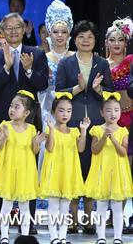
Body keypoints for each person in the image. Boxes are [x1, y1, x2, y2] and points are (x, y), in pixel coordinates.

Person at [0, 12, 49, 222]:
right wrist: (6, 67)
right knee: (3, 167)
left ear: (24, 30)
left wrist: (29, 70)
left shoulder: (36, 54)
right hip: (4, 120)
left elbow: (42, 85)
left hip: (30, 121)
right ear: (2, 31)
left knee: (28, 169)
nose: (13, 31)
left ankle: (28, 220)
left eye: (17, 27)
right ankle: (1, 219)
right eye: (8, 28)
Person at [54, 20, 112, 233]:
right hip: (71, 124)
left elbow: (111, 93)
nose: (85, 40)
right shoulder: (66, 63)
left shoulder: (102, 63)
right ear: (74, 39)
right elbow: (58, 92)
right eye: (81, 37)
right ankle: (72, 220)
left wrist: (98, 90)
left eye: (89, 37)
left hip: (96, 124)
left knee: (91, 168)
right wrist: (78, 88)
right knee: (73, 168)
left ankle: (88, 221)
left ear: (95, 40)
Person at [0, 90, 43, 241]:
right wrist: (5, 137)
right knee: (7, 204)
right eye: (11, 106)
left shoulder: (31, 129)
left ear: (26, 113)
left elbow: (35, 151)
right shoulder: (5, 125)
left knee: (25, 206)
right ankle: (4, 236)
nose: (12, 109)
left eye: (16, 107)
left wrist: (37, 143)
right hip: (9, 170)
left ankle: (25, 236)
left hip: (25, 171)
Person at [84, 92, 133, 244]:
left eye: (116, 110)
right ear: (102, 112)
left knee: (117, 206)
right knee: (101, 206)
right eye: (109, 110)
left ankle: (117, 237)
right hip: (101, 171)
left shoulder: (124, 131)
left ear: (120, 112)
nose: (113, 114)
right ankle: (101, 237)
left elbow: (123, 152)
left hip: (117, 171)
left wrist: (113, 139)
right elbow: (94, 150)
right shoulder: (97, 130)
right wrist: (105, 137)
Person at [39, 93, 87, 244]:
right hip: (54, 172)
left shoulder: (74, 132)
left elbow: (81, 149)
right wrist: (52, 129)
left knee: (65, 207)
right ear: (53, 111)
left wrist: (84, 130)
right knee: (53, 206)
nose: (65, 114)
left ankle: (63, 236)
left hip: (68, 172)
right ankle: (54, 237)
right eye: (61, 110)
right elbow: (50, 147)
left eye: (68, 110)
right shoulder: (50, 129)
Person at [43, 0, 74, 126]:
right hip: (48, 108)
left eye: (64, 32)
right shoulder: (43, 58)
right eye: (56, 32)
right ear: (50, 33)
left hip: (71, 109)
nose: (60, 35)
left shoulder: (76, 57)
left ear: (69, 34)